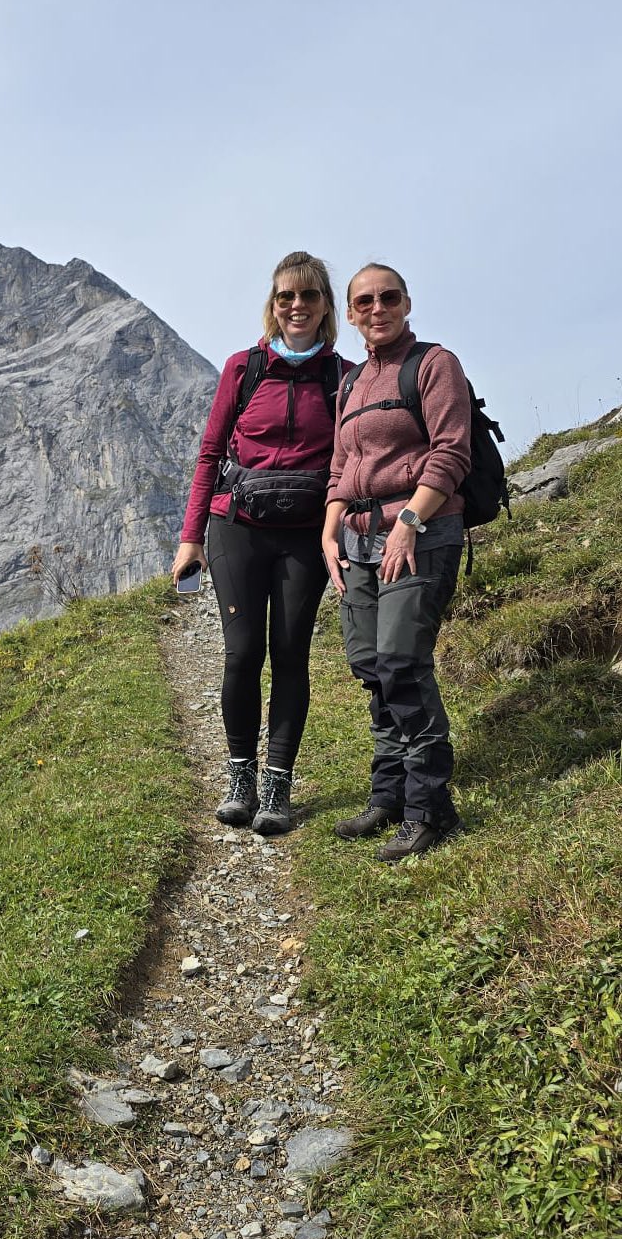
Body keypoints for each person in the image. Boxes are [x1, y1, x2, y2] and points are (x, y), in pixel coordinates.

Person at [171, 251, 352, 834]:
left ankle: (278, 785)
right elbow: (210, 453)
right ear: (273, 307)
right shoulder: (242, 368)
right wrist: (190, 537)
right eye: (285, 297)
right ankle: (241, 777)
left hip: (304, 534)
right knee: (244, 652)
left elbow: (351, 460)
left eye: (308, 296)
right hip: (237, 528)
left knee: (292, 652)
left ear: (326, 307)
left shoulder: (341, 377)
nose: (296, 306)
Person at [322, 262, 472, 860]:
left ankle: (429, 807)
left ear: (406, 303)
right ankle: (388, 794)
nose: (377, 308)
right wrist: (330, 531)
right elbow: (339, 468)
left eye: (388, 297)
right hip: (356, 542)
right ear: (352, 314)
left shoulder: (434, 365)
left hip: (421, 532)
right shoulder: (351, 383)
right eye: (364, 302)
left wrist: (410, 522)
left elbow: (451, 453)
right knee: (369, 663)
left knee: (402, 663)